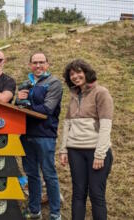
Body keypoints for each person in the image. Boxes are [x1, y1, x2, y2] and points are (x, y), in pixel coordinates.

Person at [60, 59, 113, 220]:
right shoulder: (75, 95)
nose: (75, 76)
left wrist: (100, 154)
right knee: (78, 194)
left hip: (95, 152)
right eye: (72, 74)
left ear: (86, 72)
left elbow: (105, 125)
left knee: (96, 194)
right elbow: (67, 124)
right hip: (75, 151)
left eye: (78, 72)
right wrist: (63, 149)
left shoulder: (101, 93)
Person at [17, 52, 63, 220]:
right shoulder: (26, 83)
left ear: (48, 64)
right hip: (26, 134)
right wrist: (18, 100)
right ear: (30, 65)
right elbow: (18, 110)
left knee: (49, 174)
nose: (38, 66)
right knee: (31, 175)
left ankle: (55, 214)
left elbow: (47, 109)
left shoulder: (54, 83)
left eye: (41, 62)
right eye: (35, 62)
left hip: (45, 135)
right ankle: (34, 210)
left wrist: (25, 105)